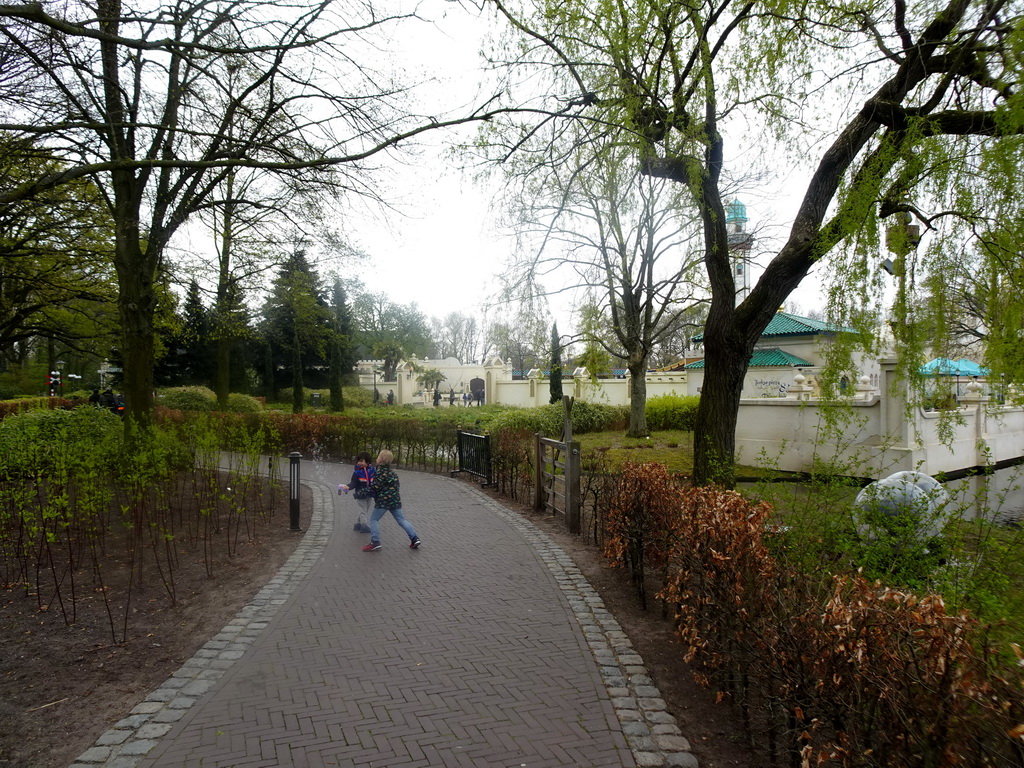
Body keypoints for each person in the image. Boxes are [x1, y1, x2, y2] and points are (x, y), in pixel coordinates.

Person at [362, 449, 421, 552]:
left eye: (378, 456)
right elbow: (397, 486)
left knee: (374, 519)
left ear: (380, 460)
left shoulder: (379, 472)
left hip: (383, 501)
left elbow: (375, 487)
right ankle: (414, 538)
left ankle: (375, 542)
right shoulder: (393, 473)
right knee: (402, 520)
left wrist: (362, 492)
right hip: (395, 501)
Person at [337, 452, 374, 533]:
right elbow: (353, 483)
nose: (360, 463)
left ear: (367, 462)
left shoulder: (372, 470)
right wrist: (348, 487)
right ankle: (364, 525)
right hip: (360, 494)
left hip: (370, 494)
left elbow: (375, 480)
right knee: (363, 510)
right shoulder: (357, 473)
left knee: (364, 510)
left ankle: (358, 524)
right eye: (359, 461)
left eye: (362, 461)